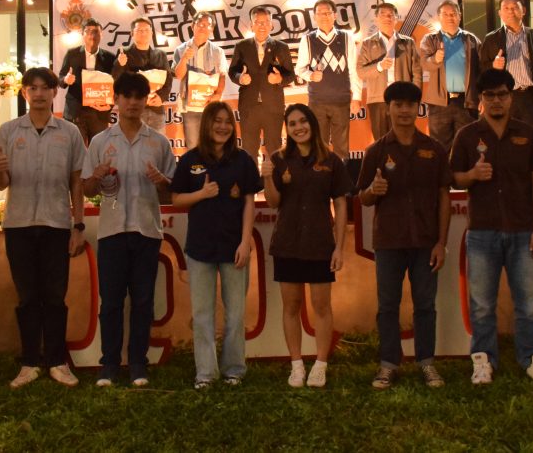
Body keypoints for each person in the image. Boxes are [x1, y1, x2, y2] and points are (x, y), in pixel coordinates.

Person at [450, 68, 533, 387]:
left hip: (523, 230)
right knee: (482, 304)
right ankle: (483, 361)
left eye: (502, 94)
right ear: (481, 99)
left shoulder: (528, 134)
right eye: (490, 95)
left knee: (529, 303)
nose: (496, 100)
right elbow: (454, 178)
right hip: (482, 231)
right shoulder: (467, 136)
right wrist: (472, 176)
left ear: (510, 98)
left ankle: (532, 360)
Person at [0, 67, 87, 389]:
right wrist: (0, 171)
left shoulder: (69, 132)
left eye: (44, 87)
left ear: (53, 92)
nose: (38, 93)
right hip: (18, 224)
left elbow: (77, 181)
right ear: (24, 93)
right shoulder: (8, 131)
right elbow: (1, 183)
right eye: (32, 88)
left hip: (56, 224)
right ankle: (30, 362)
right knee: (27, 297)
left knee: (55, 296)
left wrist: (78, 225)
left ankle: (57, 362)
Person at [83, 72, 177, 387]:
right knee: (110, 303)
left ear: (146, 100)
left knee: (143, 301)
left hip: (147, 231)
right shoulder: (100, 142)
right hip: (111, 232)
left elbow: (171, 190)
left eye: (139, 97)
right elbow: (87, 189)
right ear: (117, 100)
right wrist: (96, 176)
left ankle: (138, 364)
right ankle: (109, 364)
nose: (133, 102)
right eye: (127, 96)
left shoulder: (159, 142)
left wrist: (162, 182)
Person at [357, 82, 451, 389]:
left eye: (410, 104)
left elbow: (444, 197)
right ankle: (388, 365)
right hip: (389, 242)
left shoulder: (434, 149)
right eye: (398, 104)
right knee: (388, 306)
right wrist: (373, 190)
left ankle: (427, 363)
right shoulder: (376, 151)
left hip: (426, 242)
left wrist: (441, 243)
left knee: (425, 305)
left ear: (418, 108)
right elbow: (363, 197)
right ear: (388, 109)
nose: (404, 110)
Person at [170, 102, 261, 389]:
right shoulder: (190, 160)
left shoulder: (243, 160)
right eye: (217, 121)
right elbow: (176, 199)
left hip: (234, 247)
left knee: (235, 314)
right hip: (200, 249)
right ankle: (206, 374)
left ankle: (234, 370)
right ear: (207, 124)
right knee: (202, 314)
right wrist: (202, 193)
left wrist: (245, 242)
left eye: (227, 121)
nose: (223, 127)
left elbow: (249, 203)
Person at [262, 103, 351, 388]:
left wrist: (339, 247)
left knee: (321, 306)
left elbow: (340, 203)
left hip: (320, 243)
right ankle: (297, 365)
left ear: (312, 124)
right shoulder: (278, 160)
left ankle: (321, 365)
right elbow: (274, 202)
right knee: (291, 306)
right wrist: (267, 176)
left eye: (303, 121)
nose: (298, 127)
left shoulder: (331, 161)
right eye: (292, 123)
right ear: (287, 129)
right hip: (287, 243)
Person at [295, 0, 362, 160]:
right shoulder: (307, 39)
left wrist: (357, 97)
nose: (324, 16)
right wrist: (311, 76)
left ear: (335, 15)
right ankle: (321, 174)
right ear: (314, 17)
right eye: (320, 13)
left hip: (341, 100)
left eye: (328, 13)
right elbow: (299, 69)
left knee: (341, 147)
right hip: (317, 101)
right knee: (319, 145)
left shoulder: (346, 37)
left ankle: (341, 174)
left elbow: (354, 70)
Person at [479, 0, 533, 131]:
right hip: (503, 96)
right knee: (503, 135)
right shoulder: (491, 39)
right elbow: (481, 69)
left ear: (523, 10)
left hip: (530, 97)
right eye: (506, 8)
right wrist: (493, 66)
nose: (510, 11)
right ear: (500, 13)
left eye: (514, 7)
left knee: (531, 137)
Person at [228, 5, 295, 160]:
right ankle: (251, 177)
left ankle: (275, 176)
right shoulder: (241, 46)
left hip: (273, 106)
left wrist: (280, 79)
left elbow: (291, 74)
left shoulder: (281, 47)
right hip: (249, 106)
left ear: (271, 25)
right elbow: (233, 71)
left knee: (274, 148)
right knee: (248, 150)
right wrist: (240, 78)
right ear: (251, 25)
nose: (262, 26)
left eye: (266, 22)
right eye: (258, 22)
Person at [419, 0, 482, 149]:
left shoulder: (471, 39)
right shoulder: (430, 39)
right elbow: (424, 63)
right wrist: (435, 59)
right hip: (439, 103)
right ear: (439, 17)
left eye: (453, 14)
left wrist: (481, 97)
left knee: (467, 145)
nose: (450, 17)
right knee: (440, 147)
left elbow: (482, 70)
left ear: (460, 16)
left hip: (467, 102)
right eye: (445, 14)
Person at [356, 2, 422, 141]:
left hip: (403, 99)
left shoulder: (407, 42)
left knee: (404, 138)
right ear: (376, 19)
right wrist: (379, 66)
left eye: (390, 15)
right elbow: (361, 72)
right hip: (378, 99)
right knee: (381, 140)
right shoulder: (368, 43)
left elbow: (417, 72)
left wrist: (414, 97)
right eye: (383, 14)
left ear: (396, 18)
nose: (387, 18)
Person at [172, 11, 228, 149]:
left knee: (214, 145)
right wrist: (184, 58)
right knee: (193, 146)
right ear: (192, 26)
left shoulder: (218, 51)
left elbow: (222, 75)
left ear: (212, 29)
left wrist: (218, 95)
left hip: (211, 106)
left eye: (207, 25)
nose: (203, 27)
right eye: (200, 24)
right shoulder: (181, 49)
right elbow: (178, 76)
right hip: (190, 107)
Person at [111, 17, 173, 134]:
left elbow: (168, 80)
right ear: (132, 33)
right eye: (139, 30)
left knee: (157, 144)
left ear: (152, 33)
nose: (143, 33)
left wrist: (161, 97)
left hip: (156, 111)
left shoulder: (160, 55)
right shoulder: (123, 53)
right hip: (132, 111)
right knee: (131, 143)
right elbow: (116, 80)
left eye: (146, 30)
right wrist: (120, 65)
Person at [58, 18, 116, 144]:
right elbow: (60, 78)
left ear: (101, 34)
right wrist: (66, 79)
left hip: (99, 114)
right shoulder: (72, 54)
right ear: (82, 34)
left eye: (96, 32)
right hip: (76, 111)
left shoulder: (110, 58)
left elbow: (116, 85)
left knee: (99, 150)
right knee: (75, 150)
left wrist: (109, 105)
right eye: (88, 31)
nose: (92, 35)